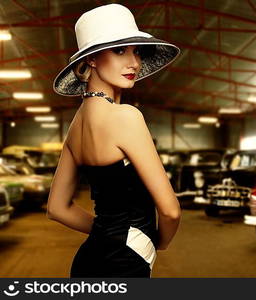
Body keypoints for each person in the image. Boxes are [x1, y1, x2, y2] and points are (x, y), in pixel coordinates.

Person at [46, 3, 181, 278]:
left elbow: (57, 208)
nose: (133, 62)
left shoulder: (75, 128)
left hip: (87, 261)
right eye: (119, 50)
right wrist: (157, 243)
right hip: (125, 263)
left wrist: (107, 230)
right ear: (92, 59)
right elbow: (170, 211)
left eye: (136, 51)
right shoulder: (126, 117)